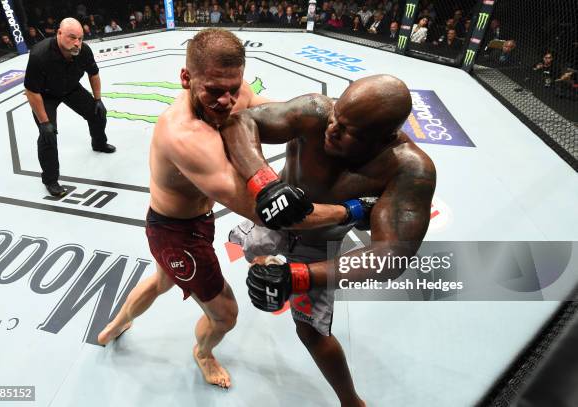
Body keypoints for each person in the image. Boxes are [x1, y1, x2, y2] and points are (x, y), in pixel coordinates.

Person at [96, 28, 373, 389]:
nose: (227, 101)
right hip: (176, 233)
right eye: (213, 90)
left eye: (233, 88)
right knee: (224, 315)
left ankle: (115, 326)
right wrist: (350, 210)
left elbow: (283, 115)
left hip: (197, 220)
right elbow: (269, 214)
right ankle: (203, 353)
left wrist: (341, 119)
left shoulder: (232, 91)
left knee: (163, 278)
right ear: (186, 78)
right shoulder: (185, 135)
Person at [223, 75, 436, 406]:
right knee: (235, 242)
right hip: (272, 216)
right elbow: (240, 121)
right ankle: (265, 256)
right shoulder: (316, 111)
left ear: (385, 137)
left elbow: (392, 255)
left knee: (311, 333)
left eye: (349, 130)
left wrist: (298, 277)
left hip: (314, 250)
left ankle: (351, 402)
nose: (332, 129)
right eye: (337, 116)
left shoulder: (408, 168)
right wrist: (266, 184)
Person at [24, 17, 115, 197]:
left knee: (98, 113)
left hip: (70, 88)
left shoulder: (84, 51)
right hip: (45, 94)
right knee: (47, 135)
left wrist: (98, 100)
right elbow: (31, 91)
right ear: (59, 34)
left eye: (80, 38)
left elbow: (94, 74)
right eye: (72, 37)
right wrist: (44, 122)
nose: (77, 43)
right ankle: (50, 180)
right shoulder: (39, 55)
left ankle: (99, 142)